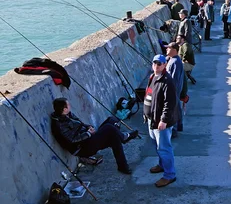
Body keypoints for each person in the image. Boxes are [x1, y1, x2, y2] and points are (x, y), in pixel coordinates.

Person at [51, 98, 137, 174]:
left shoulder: (68, 115)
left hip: (87, 139)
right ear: (64, 109)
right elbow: (73, 139)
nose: (70, 105)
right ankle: (124, 137)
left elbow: (81, 124)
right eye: (68, 105)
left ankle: (123, 166)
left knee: (112, 123)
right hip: (82, 148)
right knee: (109, 128)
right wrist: (88, 133)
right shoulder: (60, 124)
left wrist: (89, 127)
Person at [144, 54, 177, 188]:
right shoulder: (153, 77)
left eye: (159, 64)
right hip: (151, 120)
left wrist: (163, 120)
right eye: (154, 63)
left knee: (164, 148)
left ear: (164, 65)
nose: (156, 66)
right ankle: (162, 165)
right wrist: (145, 114)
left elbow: (170, 103)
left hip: (160, 122)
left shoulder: (167, 81)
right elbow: (148, 95)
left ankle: (170, 175)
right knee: (156, 145)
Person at [165, 43, 185, 135]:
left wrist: (169, 90)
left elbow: (174, 79)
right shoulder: (173, 60)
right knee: (176, 107)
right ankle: (178, 126)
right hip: (174, 90)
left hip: (173, 89)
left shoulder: (175, 62)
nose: (166, 49)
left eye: (168, 48)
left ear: (174, 50)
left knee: (173, 108)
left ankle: (175, 129)